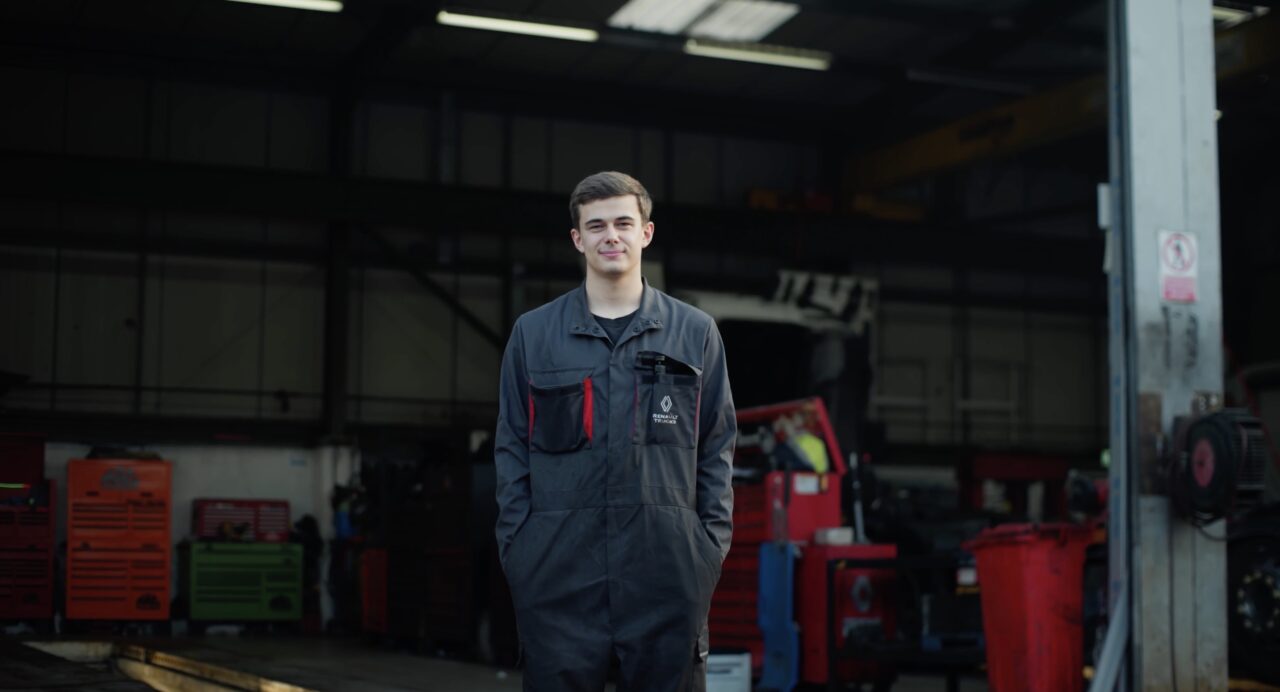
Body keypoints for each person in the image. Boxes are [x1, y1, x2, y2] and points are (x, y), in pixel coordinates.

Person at [494, 171, 736, 691]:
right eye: (596, 225)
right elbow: (510, 445)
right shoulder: (534, 335)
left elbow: (717, 447)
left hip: (667, 572)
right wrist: (521, 546)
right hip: (557, 574)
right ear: (578, 239)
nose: (612, 236)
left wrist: (706, 548)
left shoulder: (694, 333)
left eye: (624, 223)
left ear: (646, 233)